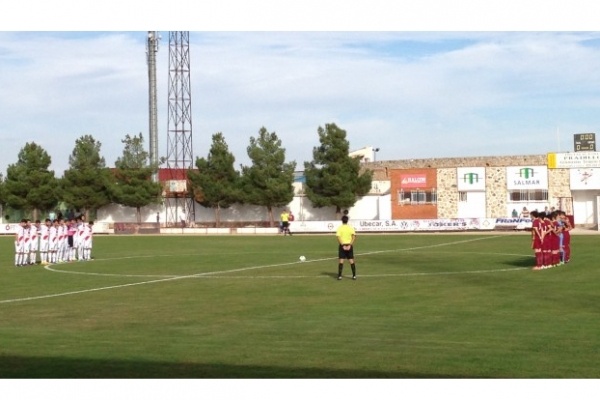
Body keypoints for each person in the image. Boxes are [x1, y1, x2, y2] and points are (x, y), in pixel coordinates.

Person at [336, 215, 356, 280]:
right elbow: (354, 237)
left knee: (341, 261)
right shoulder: (350, 228)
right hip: (349, 245)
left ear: (342, 221)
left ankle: (339, 276)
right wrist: (350, 245)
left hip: (342, 246)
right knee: (351, 261)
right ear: (347, 221)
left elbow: (338, 237)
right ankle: (354, 276)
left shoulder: (340, 228)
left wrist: (343, 245)